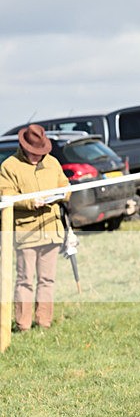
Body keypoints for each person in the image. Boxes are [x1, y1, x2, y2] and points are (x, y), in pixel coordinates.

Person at [0, 124, 70, 331]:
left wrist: (60, 195)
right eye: (33, 153)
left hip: (51, 230)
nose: (36, 157)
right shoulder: (9, 166)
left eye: (40, 153)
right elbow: (6, 196)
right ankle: (22, 325)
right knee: (25, 280)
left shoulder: (53, 163)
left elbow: (65, 187)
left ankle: (44, 323)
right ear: (24, 147)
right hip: (25, 233)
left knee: (47, 279)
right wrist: (31, 202)